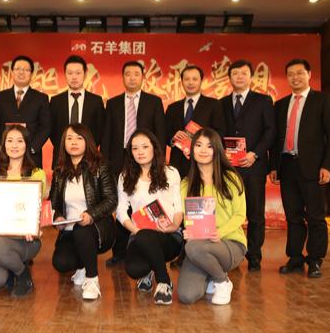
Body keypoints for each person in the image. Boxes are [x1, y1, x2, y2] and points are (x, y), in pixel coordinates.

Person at [270, 59, 330, 278]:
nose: (295, 77)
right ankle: (295, 258)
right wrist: (274, 166)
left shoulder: (323, 100)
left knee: (315, 216)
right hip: (287, 166)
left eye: (300, 73)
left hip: (314, 167)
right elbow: (276, 139)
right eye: (291, 74)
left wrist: (328, 166)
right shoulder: (280, 105)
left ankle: (315, 259)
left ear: (309, 74)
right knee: (293, 216)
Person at [101, 60, 166, 267]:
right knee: (121, 204)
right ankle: (119, 252)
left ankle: (146, 247)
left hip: (146, 158)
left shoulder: (154, 102)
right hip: (119, 159)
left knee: (143, 202)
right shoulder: (113, 103)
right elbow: (107, 134)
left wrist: (159, 162)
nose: (131, 77)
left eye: (136, 74)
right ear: (123, 77)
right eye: (127, 74)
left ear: (142, 77)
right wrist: (106, 163)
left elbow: (160, 134)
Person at [177, 128, 247, 306]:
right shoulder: (186, 184)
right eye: (198, 145)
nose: (203, 150)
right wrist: (188, 232)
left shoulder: (230, 178)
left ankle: (222, 281)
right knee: (187, 296)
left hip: (230, 243)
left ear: (217, 150)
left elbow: (240, 214)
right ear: (192, 149)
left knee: (193, 248)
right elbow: (188, 219)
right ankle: (211, 273)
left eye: (209, 146)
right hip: (199, 246)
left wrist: (220, 232)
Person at [49, 124, 117, 300]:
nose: (74, 142)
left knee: (82, 230)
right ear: (63, 142)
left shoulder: (100, 166)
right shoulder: (59, 171)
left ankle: (92, 279)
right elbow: (54, 203)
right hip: (69, 230)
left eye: (79, 138)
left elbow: (111, 200)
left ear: (87, 142)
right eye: (69, 138)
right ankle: (83, 265)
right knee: (61, 263)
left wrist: (91, 215)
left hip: (97, 228)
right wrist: (58, 217)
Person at [116, 129, 183, 305]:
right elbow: (121, 211)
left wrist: (173, 226)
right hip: (139, 235)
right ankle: (150, 269)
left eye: (145, 147)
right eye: (135, 148)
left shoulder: (171, 172)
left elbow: (179, 207)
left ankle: (164, 282)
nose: (140, 152)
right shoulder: (125, 177)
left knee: (148, 237)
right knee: (133, 269)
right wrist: (136, 230)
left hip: (168, 235)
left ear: (154, 148)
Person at [220, 60, 276, 271]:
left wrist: (255, 154)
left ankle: (254, 256)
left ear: (251, 77)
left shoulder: (263, 101)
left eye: (244, 73)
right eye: (235, 73)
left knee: (255, 214)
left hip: (254, 166)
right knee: (227, 212)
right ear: (229, 78)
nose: (239, 77)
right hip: (228, 168)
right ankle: (230, 254)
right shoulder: (222, 103)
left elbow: (270, 131)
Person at [0, 124, 46, 297]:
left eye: (20, 141)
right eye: (9, 141)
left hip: (26, 239)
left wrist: (32, 226)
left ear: (27, 144)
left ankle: (22, 275)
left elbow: (37, 208)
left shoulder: (36, 174)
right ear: (3, 145)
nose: (14, 145)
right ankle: (16, 269)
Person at [166, 65, 226, 177]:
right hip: (178, 163)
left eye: (194, 79)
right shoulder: (173, 108)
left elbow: (220, 131)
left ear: (201, 81)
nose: (190, 82)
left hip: (204, 161)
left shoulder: (213, 104)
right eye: (187, 79)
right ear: (182, 82)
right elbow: (165, 133)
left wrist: (203, 141)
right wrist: (172, 138)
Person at [0, 55, 50, 168]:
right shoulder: (0, 97)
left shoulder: (41, 98)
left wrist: (32, 148)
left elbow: (45, 126)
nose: (21, 72)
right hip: (5, 155)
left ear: (31, 74)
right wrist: (0, 146)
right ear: (12, 72)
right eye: (18, 69)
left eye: (26, 69)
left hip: (31, 156)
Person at [49, 55, 105, 169]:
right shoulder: (56, 101)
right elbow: (52, 130)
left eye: (78, 73)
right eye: (70, 73)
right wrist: (65, 145)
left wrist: (87, 147)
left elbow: (100, 130)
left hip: (89, 158)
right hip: (61, 157)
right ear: (65, 74)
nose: (74, 77)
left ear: (85, 74)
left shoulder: (96, 101)